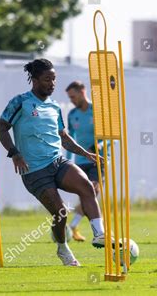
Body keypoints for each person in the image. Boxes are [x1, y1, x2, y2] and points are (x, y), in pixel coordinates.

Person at [0, 59, 109, 267]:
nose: (52, 83)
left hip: (57, 161)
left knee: (86, 186)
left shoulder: (55, 106)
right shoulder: (20, 102)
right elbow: (1, 128)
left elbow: (63, 137)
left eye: (54, 79)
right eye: (47, 79)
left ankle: (99, 234)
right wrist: (14, 153)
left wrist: (87, 153)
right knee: (60, 213)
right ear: (35, 80)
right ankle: (63, 248)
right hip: (34, 170)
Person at [65, 81, 104, 242]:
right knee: (87, 194)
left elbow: (110, 139)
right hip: (80, 162)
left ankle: (76, 224)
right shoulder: (72, 114)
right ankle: (82, 227)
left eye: (73, 97)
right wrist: (67, 162)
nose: (72, 100)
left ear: (83, 92)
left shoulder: (98, 111)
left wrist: (96, 148)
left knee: (92, 191)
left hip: (98, 160)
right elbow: (69, 139)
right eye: (69, 98)